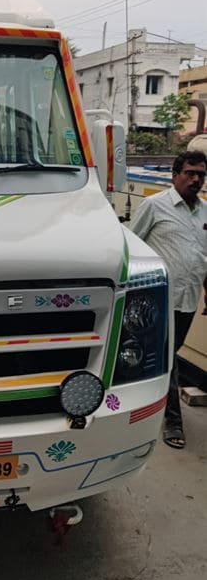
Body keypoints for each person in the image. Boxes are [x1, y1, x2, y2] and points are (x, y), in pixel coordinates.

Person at [130, 149, 207, 450]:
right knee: (167, 358)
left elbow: (202, 258)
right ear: (175, 175)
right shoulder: (154, 206)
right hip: (157, 300)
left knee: (164, 356)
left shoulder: (204, 213)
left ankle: (140, 405)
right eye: (190, 173)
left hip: (188, 300)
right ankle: (172, 422)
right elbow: (132, 246)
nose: (196, 179)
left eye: (201, 174)